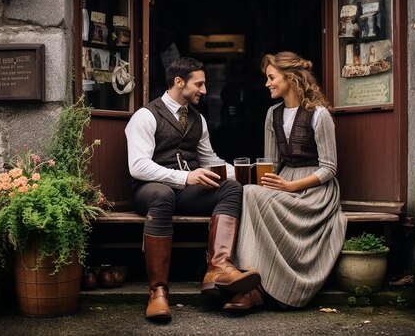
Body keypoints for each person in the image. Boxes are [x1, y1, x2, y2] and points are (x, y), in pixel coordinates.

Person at [125, 56, 261, 321]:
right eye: (199, 84)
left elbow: (211, 162)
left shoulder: (198, 119)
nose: (205, 90)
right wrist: (184, 178)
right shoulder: (145, 116)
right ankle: (158, 292)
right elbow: (138, 167)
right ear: (179, 82)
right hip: (149, 191)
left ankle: (218, 267)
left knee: (231, 188)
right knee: (163, 195)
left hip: (185, 191)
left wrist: (250, 174)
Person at [226, 51, 347, 310]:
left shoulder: (319, 114)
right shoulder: (273, 114)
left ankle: (259, 288)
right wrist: (267, 183)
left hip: (316, 189)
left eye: (271, 77)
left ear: (290, 77)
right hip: (285, 180)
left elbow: (329, 168)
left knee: (251, 195)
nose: (266, 83)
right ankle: (249, 280)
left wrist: (291, 187)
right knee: (247, 192)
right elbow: (271, 163)